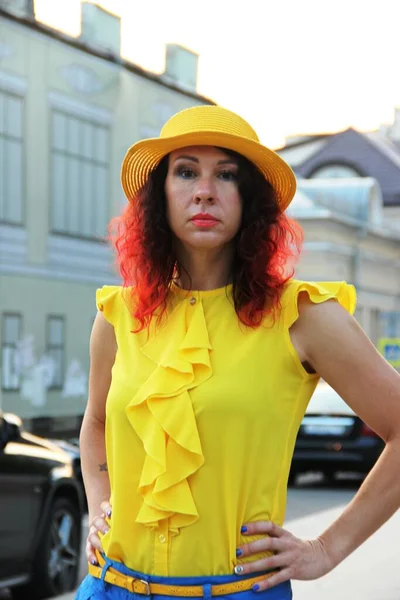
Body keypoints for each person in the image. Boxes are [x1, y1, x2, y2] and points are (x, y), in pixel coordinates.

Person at [76, 105, 400, 600]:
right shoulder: (118, 315)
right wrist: (101, 503)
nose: (204, 190)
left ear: (250, 198)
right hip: (111, 588)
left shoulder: (303, 315)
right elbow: (96, 422)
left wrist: (326, 550)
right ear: (159, 195)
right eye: (186, 171)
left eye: (226, 175)